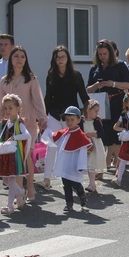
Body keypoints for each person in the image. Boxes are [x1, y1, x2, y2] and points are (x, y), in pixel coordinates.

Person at [0, 46, 48, 201]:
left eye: (22, 57)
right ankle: (18, 191)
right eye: (16, 56)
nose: (19, 59)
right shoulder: (5, 80)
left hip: (28, 123)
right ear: (11, 59)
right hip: (10, 124)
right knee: (15, 156)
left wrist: (42, 118)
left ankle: (29, 185)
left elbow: (38, 100)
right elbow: (0, 102)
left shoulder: (31, 79)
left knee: (26, 156)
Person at [43, 46, 89, 188]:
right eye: (58, 57)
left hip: (71, 118)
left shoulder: (76, 75)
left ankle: (74, 179)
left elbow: (84, 96)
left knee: (73, 148)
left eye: (63, 57)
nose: (60, 60)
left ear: (68, 58)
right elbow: (48, 97)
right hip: (54, 115)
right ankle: (46, 179)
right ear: (54, 60)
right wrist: (43, 116)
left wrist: (87, 112)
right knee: (51, 146)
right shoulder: (50, 76)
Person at [87, 39, 129, 170]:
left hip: (116, 103)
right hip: (99, 105)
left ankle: (119, 167)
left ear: (111, 53)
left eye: (105, 54)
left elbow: (128, 84)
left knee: (115, 135)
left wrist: (112, 83)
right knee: (102, 135)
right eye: (100, 54)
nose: (102, 57)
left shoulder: (120, 65)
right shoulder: (95, 68)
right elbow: (88, 89)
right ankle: (101, 166)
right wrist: (96, 85)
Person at [0, 93, 31, 215]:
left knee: (12, 179)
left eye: (10, 108)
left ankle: (10, 206)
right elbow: (0, 140)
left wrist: (15, 137)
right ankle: (21, 192)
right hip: (5, 155)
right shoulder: (5, 124)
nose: (7, 110)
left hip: (15, 155)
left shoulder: (19, 123)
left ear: (18, 108)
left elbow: (27, 135)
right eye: (6, 108)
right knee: (6, 180)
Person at [51, 106, 92, 212]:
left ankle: (82, 194)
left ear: (78, 120)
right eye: (67, 119)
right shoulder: (64, 132)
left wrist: (82, 162)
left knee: (75, 183)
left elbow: (88, 146)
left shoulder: (80, 135)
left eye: (72, 119)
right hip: (65, 164)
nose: (69, 122)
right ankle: (69, 204)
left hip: (74, 164)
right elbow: (52, 136)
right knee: (66, 185)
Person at [82, 99, 105, 193]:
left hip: (94, 145)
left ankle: (92, 184)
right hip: (84, 145)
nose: (97, 113)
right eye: (95, 111)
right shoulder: (81, 121)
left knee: (91, 164)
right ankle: (87, 183)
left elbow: (101, 134)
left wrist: (91, 135)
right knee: (86, 164)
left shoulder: (96, 121)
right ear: (88, 110)